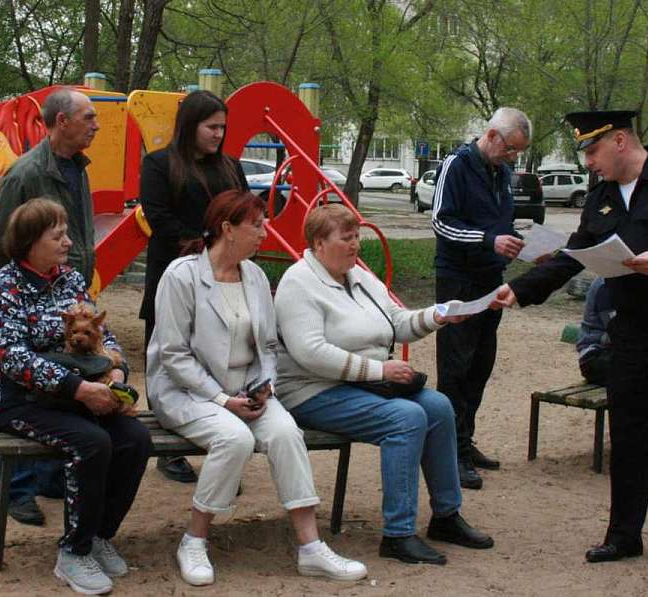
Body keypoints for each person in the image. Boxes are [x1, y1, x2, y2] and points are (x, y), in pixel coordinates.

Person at [490, 110, 648, 567]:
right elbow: (576, 252)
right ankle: (624, 535)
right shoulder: (602, 196)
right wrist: (522, 288)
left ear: (621, 141)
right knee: (629, 439)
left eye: (592, 151)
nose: (588, 161)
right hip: (631, 334)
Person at [146, 191, 366, 586]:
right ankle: (193, 540)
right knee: (234, 439)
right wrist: (222, 400)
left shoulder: (255, 276)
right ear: (227, 229)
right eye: (257, 224)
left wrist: (264, 384)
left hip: (244, 389)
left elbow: (267, 346)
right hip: (186, 391)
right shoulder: (181, 276)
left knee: (285, 432)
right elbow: (173, 355)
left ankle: (311, 548)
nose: (265, 232)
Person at [275, 203, 494, 566]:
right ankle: (398, 534)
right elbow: (310, 353)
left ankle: (446, 516)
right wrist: (380, 372)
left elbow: (396, 322)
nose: (355, 245)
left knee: (438, 406)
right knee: (405, 418)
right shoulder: (299, 283)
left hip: (363, 383)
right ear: (318, 243)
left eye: (356, 236)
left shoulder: (357, 276)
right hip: (312, 390)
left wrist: (439, 315)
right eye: (346, 238)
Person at [0, 199, 151, 595]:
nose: (68, 242)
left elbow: (103, 335)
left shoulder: (71, 280)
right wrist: (79, 389)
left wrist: (119, 372)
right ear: (29, 242)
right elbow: (11, 357)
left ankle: (97, 536)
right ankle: (72, 553)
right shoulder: (3, 286)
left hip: (73, 394)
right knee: (92, 442)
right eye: (58, 236)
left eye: (66, 234)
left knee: (135, 440)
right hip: (18, 399)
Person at [0, 87, 101, 527]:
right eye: (88, 117)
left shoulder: (77, 168)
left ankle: (51, 476)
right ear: (61, 121)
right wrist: (29, 287)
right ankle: (17, 490)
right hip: (30, 296)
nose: (96, 124)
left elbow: (80, 232)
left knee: (61, 385)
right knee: (25, 388)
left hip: (66, 292)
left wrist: (71, 283)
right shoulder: (25, 174)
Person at [139, 89, 248, 484]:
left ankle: (220, 442)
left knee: (219, 357)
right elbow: (157, 217)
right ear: (191, 126)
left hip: (223, 280)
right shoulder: (159, 164)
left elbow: (243, 210)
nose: (219, 134)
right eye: (211, 127)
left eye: (223, 127)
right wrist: (202, 245)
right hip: (173, 276)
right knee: (169, 359)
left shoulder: (231, 167)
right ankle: (169, 450)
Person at [431, 107, 531, 489]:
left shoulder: (500, 173)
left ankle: (465, 440)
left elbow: (500, 224)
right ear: (491, 136)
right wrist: (489, 240)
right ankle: (449, 453)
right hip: (458, 280)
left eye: (517, 153)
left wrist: (519, 244)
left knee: (480, 364)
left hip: (492, 279)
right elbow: (441, 221)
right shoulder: (456, 165)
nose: (512, 158)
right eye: (509, 150)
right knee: (455, 365)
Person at [577, 276, 648, 492]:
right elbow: (620, 333)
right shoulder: (606, 284)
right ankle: (645, 463)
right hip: (598, 356)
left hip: (633, 352)